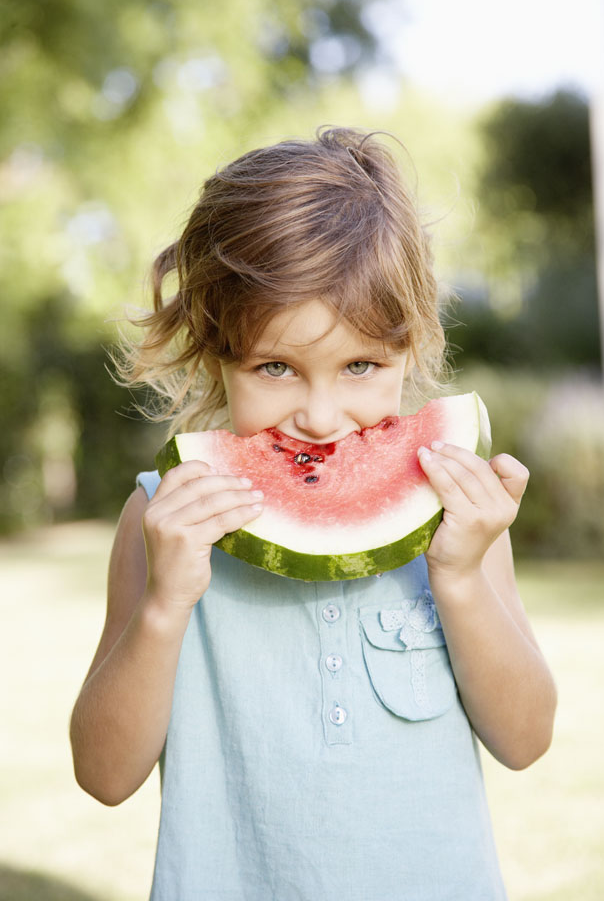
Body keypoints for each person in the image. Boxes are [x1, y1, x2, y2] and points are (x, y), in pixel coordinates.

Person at [70, 127, 557, 900]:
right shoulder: (162, 518)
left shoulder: (453, 522)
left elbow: (526, 740)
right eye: (275, 368)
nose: (323, 418)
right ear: (213, 354)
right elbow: (102, 776)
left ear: (414, 346)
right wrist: (164, 606)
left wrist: (460, 579)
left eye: (361, 366)